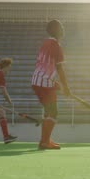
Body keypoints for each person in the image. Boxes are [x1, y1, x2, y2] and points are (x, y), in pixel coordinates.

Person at [31, 19, 71, 150]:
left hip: (38, 81)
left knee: (48, 113)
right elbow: (59, 68)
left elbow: (47, 66)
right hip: (44, 83)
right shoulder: (56, 46)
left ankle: (45, 140)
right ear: (55, 30)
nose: (63, 29)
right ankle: (44, 142)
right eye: (61, 27)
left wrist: (56, 83)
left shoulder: (46, 43)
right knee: (53, 113)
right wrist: (66, 87)